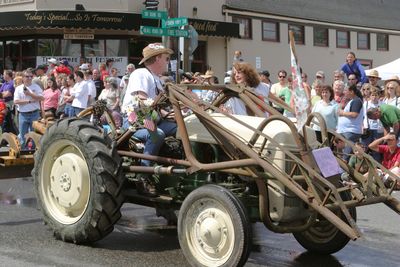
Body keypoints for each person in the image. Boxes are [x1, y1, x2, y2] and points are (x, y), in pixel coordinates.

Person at [121, 43, 176, 196]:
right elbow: (142, 100)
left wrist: (172, 114)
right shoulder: (140, 74)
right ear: (157, 58)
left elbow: (157, 106)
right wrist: (160, 110)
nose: (168, 61)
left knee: (181, 130)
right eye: (166, 58)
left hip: (153, 118)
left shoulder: (156, 78)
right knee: (157, 134)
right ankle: (143, 177)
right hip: (135, 120)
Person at [13, 69, 44, 147]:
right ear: (23, 78)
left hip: (34, 114)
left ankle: (33, 154)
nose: (30, 78)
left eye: (31, 76)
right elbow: (16, 101)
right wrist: (29, 101)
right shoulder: (18, 88)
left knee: (34, 136)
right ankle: (23, 153)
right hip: (23, 115)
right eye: (27, 76)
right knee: (23, 136)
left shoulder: (36, 87)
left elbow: (42, 98)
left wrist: (30, 94)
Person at [337, 84, 364, 162]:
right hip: (347, 131)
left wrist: (342, 113)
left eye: (346, 91)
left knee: (346, 155)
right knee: (343, 153)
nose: (344, 93)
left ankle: (345, 170)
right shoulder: (352, 101)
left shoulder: (356, 101)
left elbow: (354, 114)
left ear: (351, 91)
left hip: (351, 131)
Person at [0, 69, 17, 134]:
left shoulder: (12, 83)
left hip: (9, 105)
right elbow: (1, 94)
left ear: (7, 75)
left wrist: (3, 94)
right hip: (4, 104)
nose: (3, 76)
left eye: (4, 74)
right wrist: (3, 94)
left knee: (10, 122)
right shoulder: (4, 83)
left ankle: (13, 136)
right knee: (4, 122)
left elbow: (8, 94)